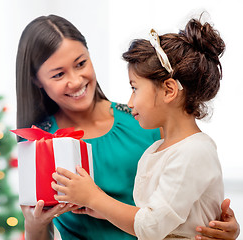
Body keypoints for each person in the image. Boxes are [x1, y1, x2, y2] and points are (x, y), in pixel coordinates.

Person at [15, 14, 240, 240]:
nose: (75, 81)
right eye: (58, 74)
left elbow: (189, 199)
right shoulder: (41, 145)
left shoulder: (146, 119)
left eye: (81, 63)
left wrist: (222, 227)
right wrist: (33, 225)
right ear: (37, 80)